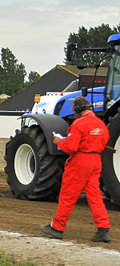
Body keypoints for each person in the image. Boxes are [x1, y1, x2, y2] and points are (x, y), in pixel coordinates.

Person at [40, 96, 112, 243]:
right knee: (95, 196)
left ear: (78, 109)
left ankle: (57, 228)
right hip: (95, 161)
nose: (73, 112)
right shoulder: (100, 123)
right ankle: (103, 229)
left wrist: (60, 142)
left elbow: (71, 147)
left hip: (80, 161)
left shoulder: (78, 124)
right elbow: (105, 140)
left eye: (74, 110)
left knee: (68, 195)